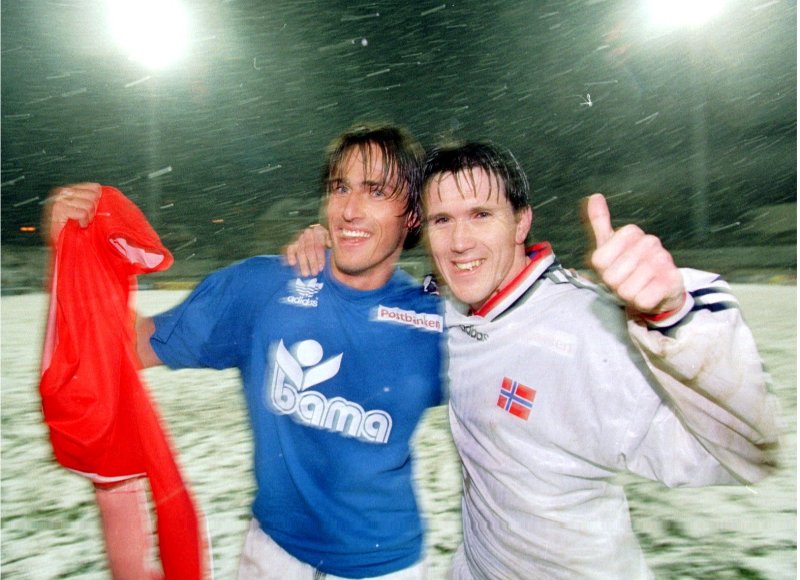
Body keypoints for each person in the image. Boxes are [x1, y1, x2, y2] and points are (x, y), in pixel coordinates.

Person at [286, 141, 782, 579]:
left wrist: (677, 319)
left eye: (481, 214)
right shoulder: (443, 306)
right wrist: (326, 247)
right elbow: (371, 299)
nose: (459, 242)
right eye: (443, 220)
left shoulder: (589, 331)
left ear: (521, 220)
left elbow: (745, 455)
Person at [44, 124, 446, 580]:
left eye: (375, 191)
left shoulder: (435, 325)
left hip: (386, 567)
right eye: (340, 188)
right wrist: (80, 255)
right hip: (270, 557)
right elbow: (125, 347)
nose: (350, 210)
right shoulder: (263, 287)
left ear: (412, 213)